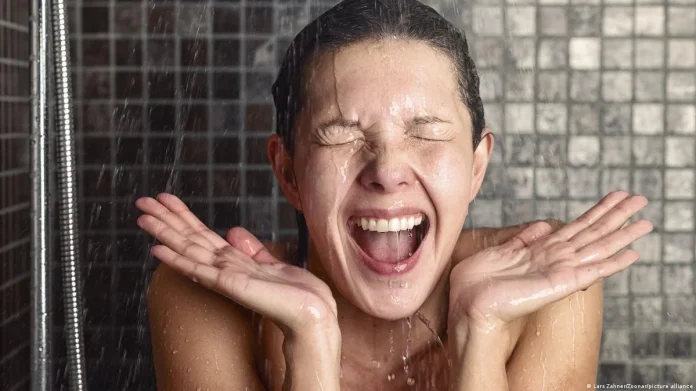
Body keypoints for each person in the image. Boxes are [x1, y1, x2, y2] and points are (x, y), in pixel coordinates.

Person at [135, 0, 653, 389]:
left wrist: (483, 332)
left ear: (476, 167)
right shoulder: (208, 295)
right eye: (340, 134)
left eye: (426, 133)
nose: (386, 170)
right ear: (289, 173)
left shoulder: (550, 283)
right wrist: (311, 344)